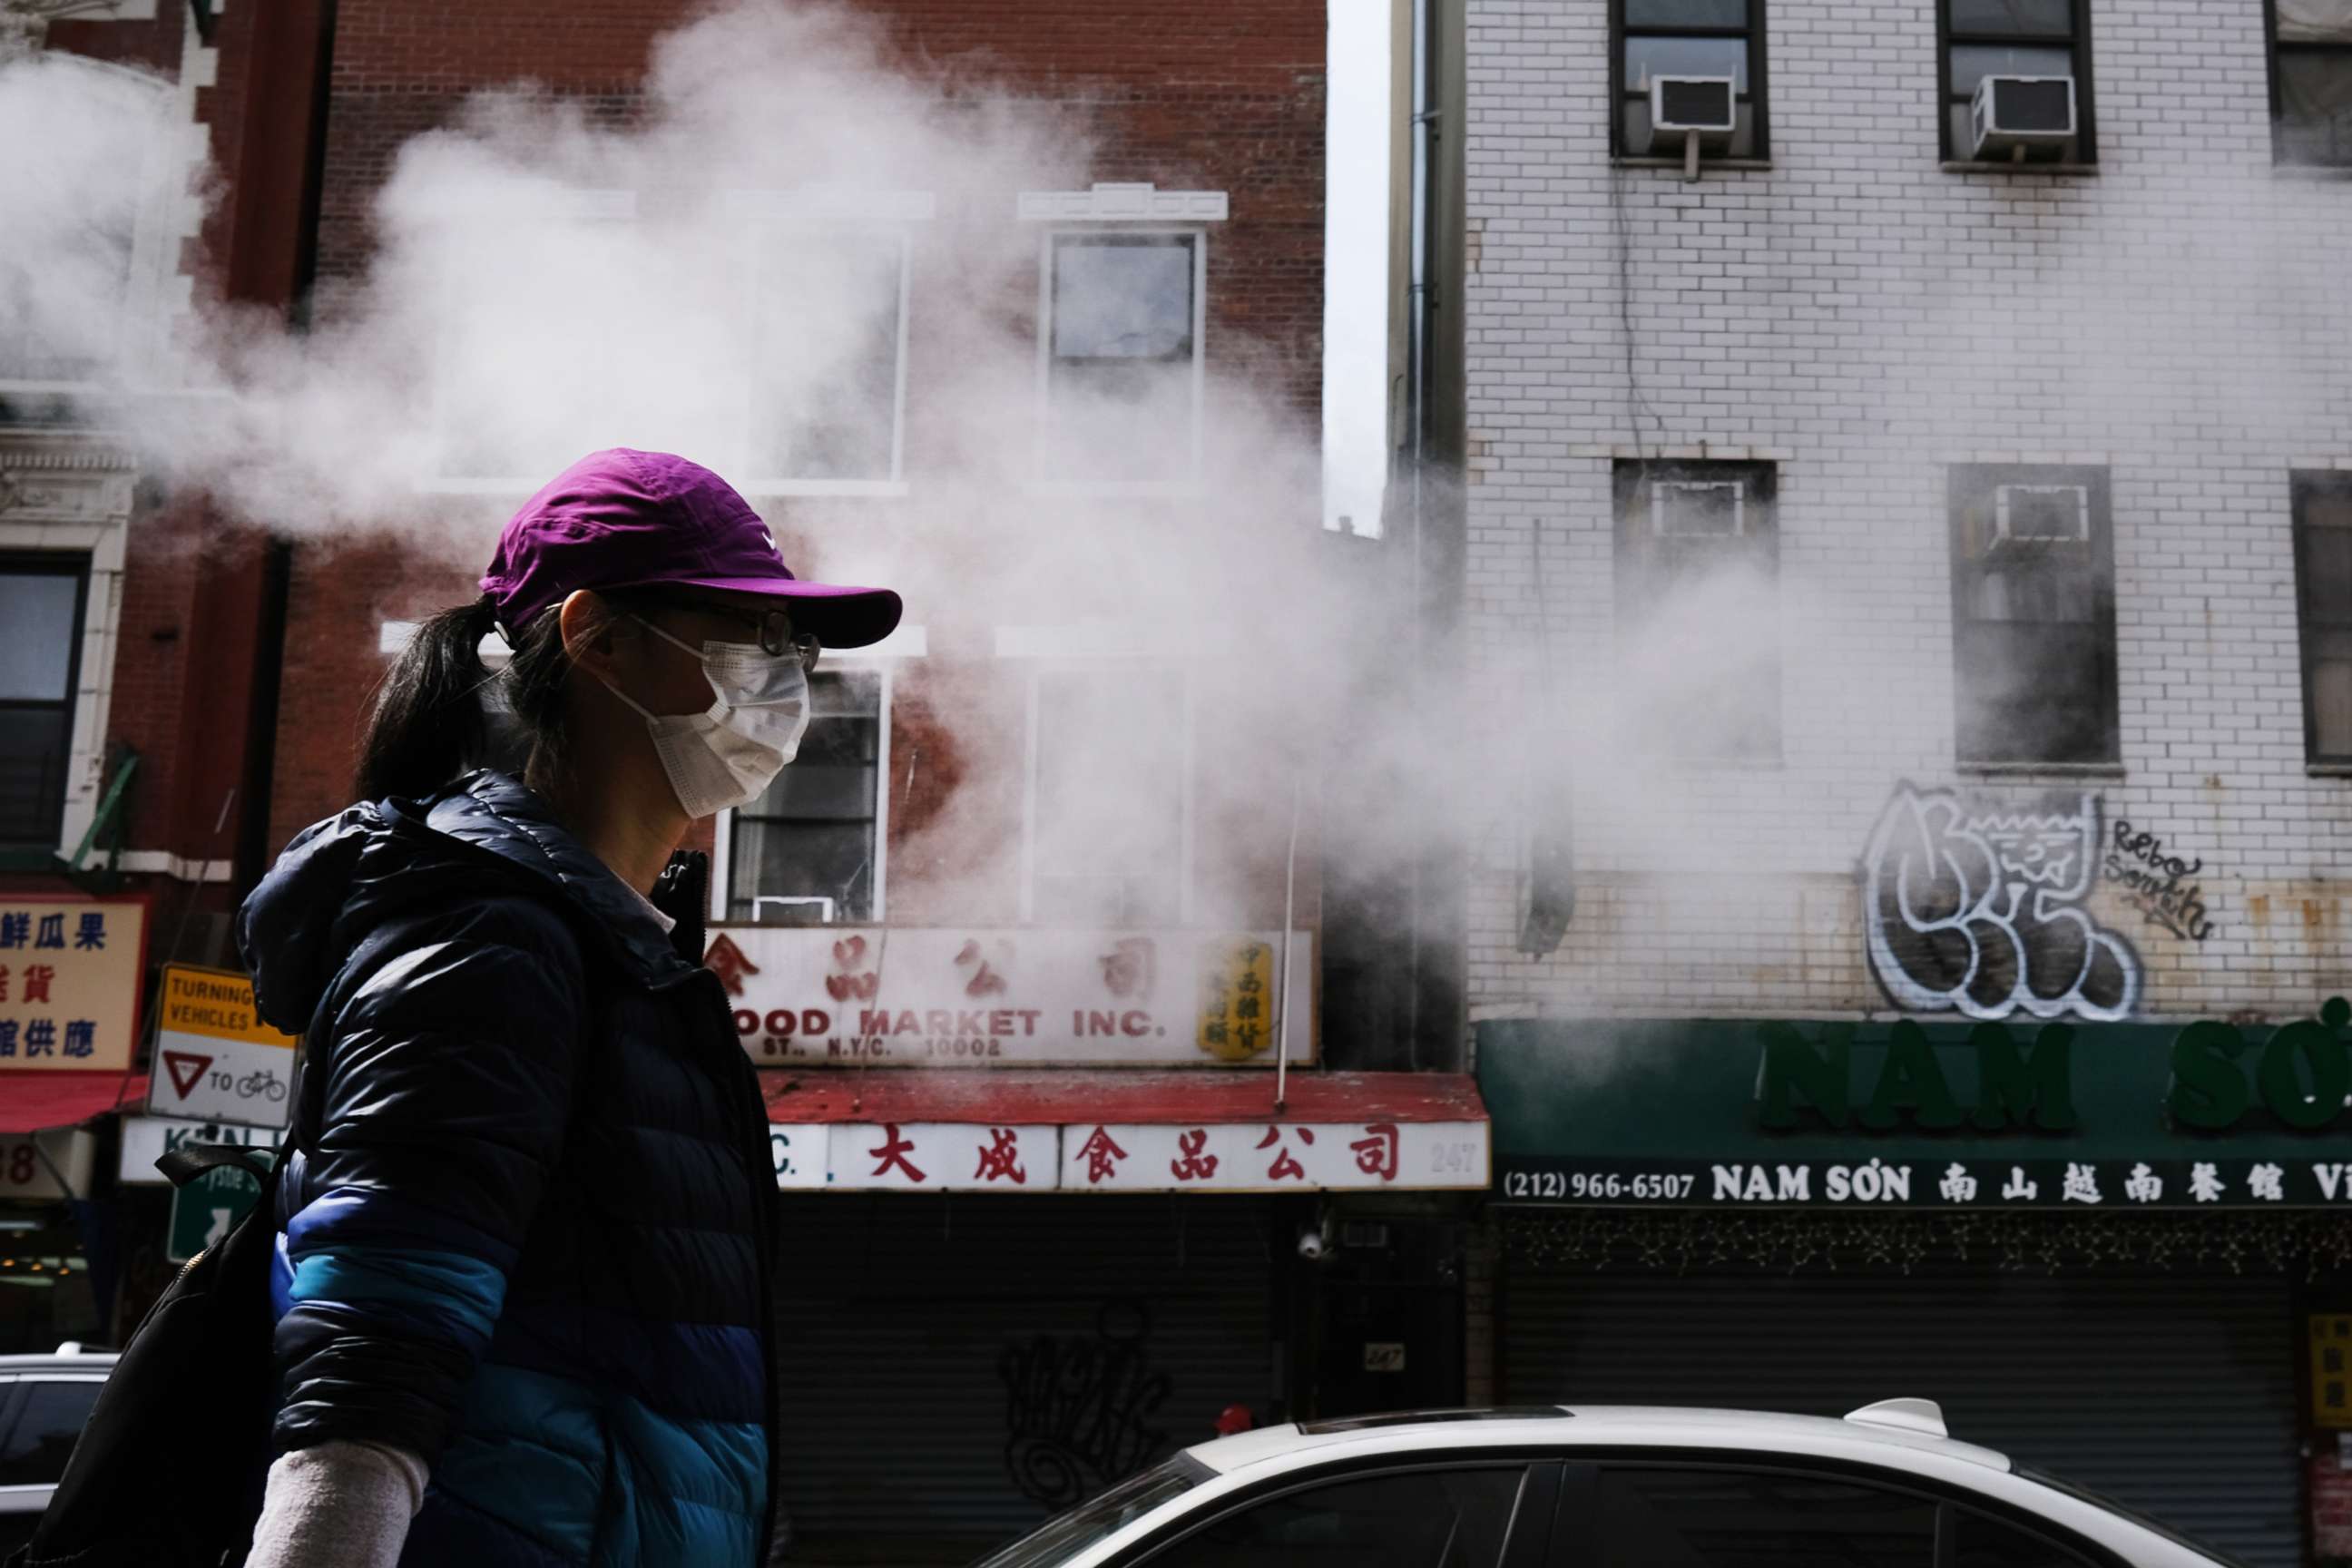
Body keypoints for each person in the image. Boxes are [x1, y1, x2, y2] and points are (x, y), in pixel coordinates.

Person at [234, 448, 901, 1568]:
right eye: (752, 639)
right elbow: (372, 1366)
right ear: (596, 636)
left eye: (796, 651)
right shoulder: (488, 940)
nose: (787, 682)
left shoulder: (613, 954)